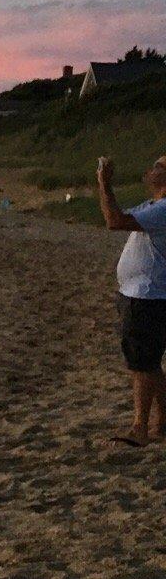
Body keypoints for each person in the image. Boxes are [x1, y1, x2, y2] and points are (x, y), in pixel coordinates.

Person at [96, 155, 166, 448]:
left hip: (146, 297)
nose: (154, 168)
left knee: (142, 363)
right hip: (145, 295)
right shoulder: (155, 206)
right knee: (150, 363)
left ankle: (140, 427)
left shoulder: (163, 208)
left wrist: (104, 183)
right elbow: (118, 216)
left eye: (161, 166)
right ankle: (162, 424)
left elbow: (114, 221)